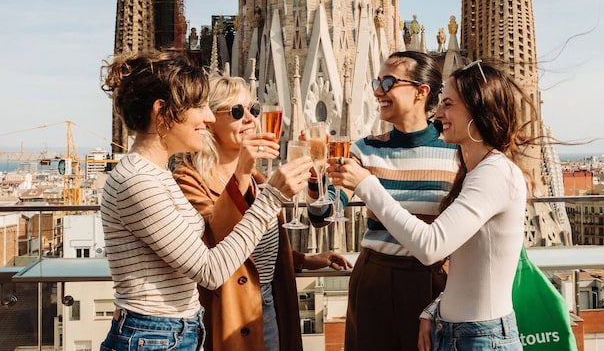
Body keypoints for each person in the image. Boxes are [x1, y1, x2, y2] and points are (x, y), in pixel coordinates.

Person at [98, 51, 312, 351]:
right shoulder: (138, 181)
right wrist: (272, 196)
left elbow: (207, 237)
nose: (209, 117)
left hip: (171, 333)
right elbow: (211, 271)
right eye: (199, 107)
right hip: (152, 337)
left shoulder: (155, 174)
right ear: (163, 113)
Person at [329, 60, 530, 351]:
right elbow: (465, 264)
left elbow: (431, 246)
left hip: (480, 338)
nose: (438, 114)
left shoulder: (494, 173)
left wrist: (367, 185)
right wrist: (435, 309)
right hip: (456, 330)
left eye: (448, 104)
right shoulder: (476, 171)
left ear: (477, 109)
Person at [171, 75, 351, 351]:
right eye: (236, 111)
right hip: (232, 310)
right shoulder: (189, 178)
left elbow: (254, 248)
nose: (250, 119)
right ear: (210, 120)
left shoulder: (257, 177)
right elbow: (215, 242)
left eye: (253, 110)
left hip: (270, 300)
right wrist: (242, 170)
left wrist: (306, 260)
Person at [329, 51, 459, 351]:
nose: (378, 91)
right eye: (378, 82)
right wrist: (315, 188)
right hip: (375, 279)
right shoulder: (366, 148)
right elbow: (327, 211)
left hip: (434, 279)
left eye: (388, 82)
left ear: (421, 91)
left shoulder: (455, 150)